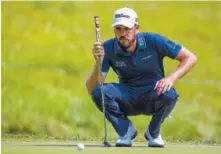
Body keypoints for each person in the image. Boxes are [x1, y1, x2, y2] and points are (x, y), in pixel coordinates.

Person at [86, 7, 197, 147]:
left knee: (170, 94)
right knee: (99, 92)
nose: (123, 33)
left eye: (127, 29)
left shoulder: (153, 40)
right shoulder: (107, 47)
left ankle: (153, 132)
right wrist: (98, 62)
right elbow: (91, 88)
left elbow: (190, 58)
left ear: (136, 28)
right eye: (118, 29)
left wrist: (170, 78)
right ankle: (125, 130)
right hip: (127, 96)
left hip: (153, 93)